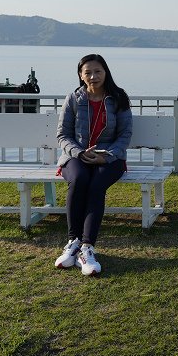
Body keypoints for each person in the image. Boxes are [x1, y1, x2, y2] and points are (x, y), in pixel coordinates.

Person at [54, 53, 132, 276]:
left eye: (97, 71)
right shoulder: (73, 99)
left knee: (96, 184)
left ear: (106, 72)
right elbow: (63, 135)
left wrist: (106, 156)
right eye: (87, 72)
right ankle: (73, 242)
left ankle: (87, 248)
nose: (93, 76)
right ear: (80, 75)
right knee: (79, 179)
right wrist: (79, 153)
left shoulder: (118, 98)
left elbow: (125, 135)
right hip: (76, 157)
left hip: (111, 158)